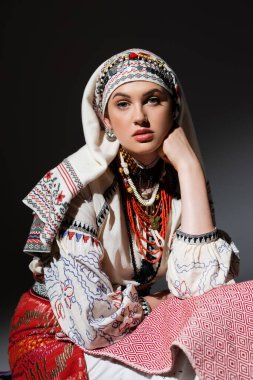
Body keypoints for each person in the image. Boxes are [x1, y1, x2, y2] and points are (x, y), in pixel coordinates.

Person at [8, 49, 253, 379]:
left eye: (153, 100)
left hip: (132, 332)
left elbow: (207, 294)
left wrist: (189, 167)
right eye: (123, 104)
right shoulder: (79, 189)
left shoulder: (178, 183)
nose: (140, 116)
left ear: (174, 110)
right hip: (61, 342)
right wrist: (155, 303)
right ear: (106, 119)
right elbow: (89, 324)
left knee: (239, 320)